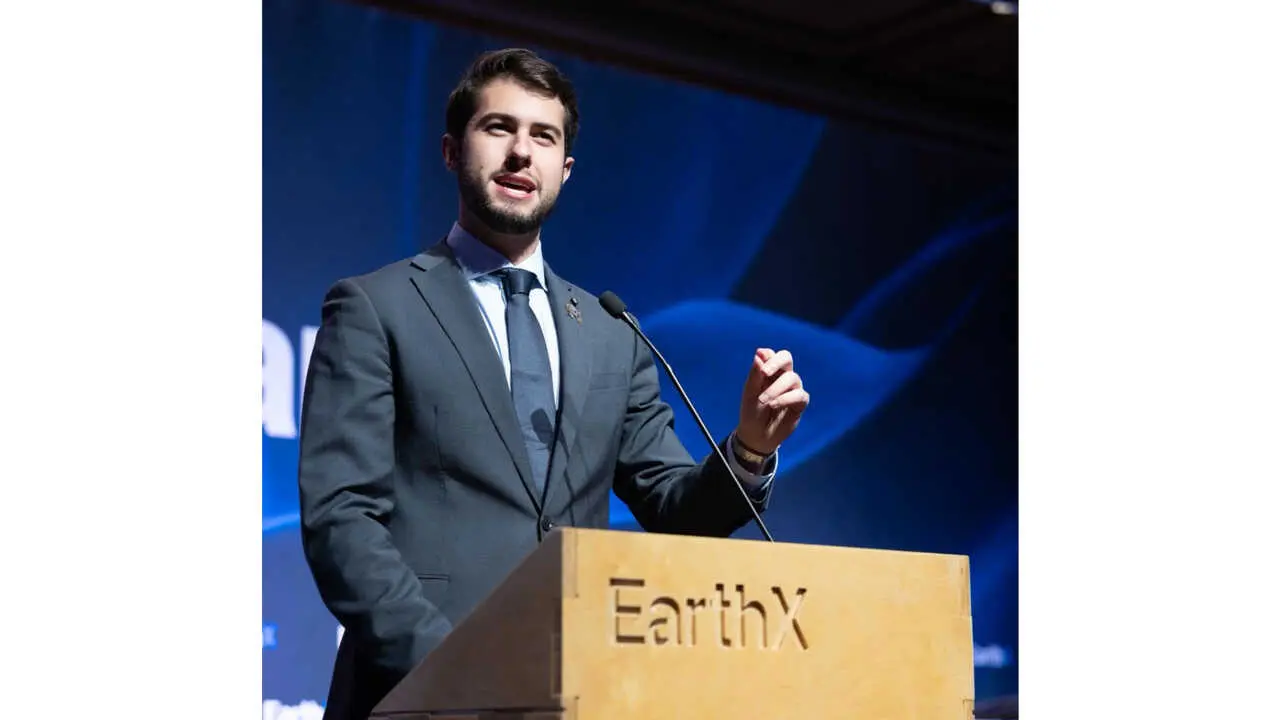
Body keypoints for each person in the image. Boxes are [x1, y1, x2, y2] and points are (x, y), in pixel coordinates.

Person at [296, 47, 811, 720]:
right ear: (451, 151)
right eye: (498, 128)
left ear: (564, 170)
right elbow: (341, 518)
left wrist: (748, 449)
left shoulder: (611, 332)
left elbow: (676, 509)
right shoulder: (375, 307)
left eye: (544, 136)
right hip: (416, 694)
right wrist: (449, 665)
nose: (521, 152)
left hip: (576, 690)